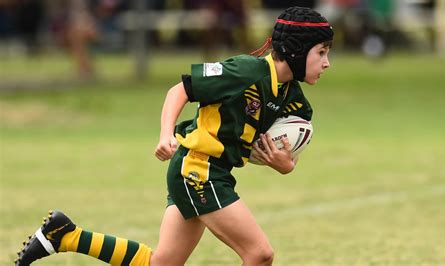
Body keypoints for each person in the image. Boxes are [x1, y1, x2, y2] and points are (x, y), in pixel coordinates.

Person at [15, 6, 333, 266]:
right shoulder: (245, 71)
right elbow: (179, 90)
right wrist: (166, 134)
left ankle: (64, 235)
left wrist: (283, 164)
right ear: (295, 50)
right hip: (198, 169)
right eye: (321, 52)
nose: (326, 62)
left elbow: (286, 157)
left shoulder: (294, 101)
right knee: (260, 254)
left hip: (213, 171)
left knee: (162, 264)